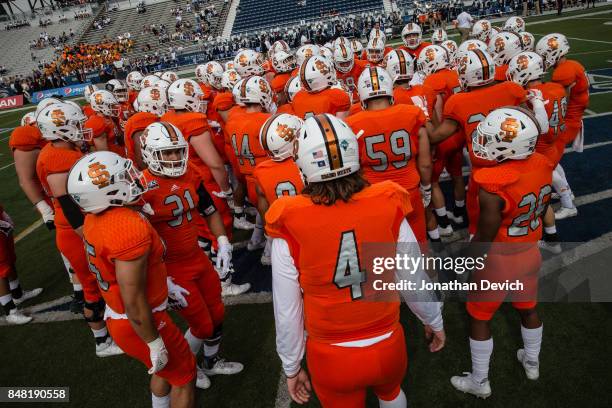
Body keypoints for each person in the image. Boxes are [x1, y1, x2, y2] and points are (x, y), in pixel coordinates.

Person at [267, 113, 445, 407]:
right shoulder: (387, 201)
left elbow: (287, 310)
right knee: (392, 393)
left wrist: (291, 366)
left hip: (331, 354)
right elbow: (412, 277)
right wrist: (433, 319)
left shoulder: (290, 222)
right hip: (387, 341)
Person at [67, 150, 198, 408]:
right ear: (108, 192)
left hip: (125, 315)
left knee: (165, 373)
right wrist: (153, 341)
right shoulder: (126, 226)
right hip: (139, 319)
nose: (134, 178)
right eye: (125, 177)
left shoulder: (96, 219)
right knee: (184, 378)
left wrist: (162, 285)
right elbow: (133, 300)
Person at [450, 107, 552, 398]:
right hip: (529, 253)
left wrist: (468, 260)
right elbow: (542, 208)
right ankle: (532, 362)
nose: (483, 141)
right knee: (529, 308)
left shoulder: (493, 184)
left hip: (498, 260)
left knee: (480, 317)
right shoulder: (542, 164)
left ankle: (480, 382)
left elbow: (485, 235)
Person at [139, 122, 244, 387]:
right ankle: (188, 364)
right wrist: (159, 278)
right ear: (149, 153)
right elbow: (139, 242)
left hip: (197, 257)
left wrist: (222, 241)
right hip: (171, 268)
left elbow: (209, 210)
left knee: (218, 313)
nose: (175, 158)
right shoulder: (140, 188)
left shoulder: (191, 173)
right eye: (168, 153)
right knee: (202, 325)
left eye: (178, 151)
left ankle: (211, 361)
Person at [36, 102, 123, 357]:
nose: (80, 129)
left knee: (99, 281)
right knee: (92, 285)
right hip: (76, 229)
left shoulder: (62, 148)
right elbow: (68, 206)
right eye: (74, 124)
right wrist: (89, 235)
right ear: (59, 129)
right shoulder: (55, 158)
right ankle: (102, 342)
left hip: (81, 224)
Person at [346, 66, 432, 245]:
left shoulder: (351, 124)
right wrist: (426, 188)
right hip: (409, 190)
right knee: (419, 243)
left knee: (384, 247)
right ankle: (429, 274)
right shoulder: (411, 114)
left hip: (375, 195)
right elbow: (425, 163)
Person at [536, 33, 589, 220]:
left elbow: (561, 101)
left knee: (546, 162)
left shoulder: (563, 72)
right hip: (573, 119)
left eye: (544, 55)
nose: (543, 59)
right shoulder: (573, 64)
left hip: (568, 122)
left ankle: (568, 203)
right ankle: (567, 191)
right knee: (553, 160)